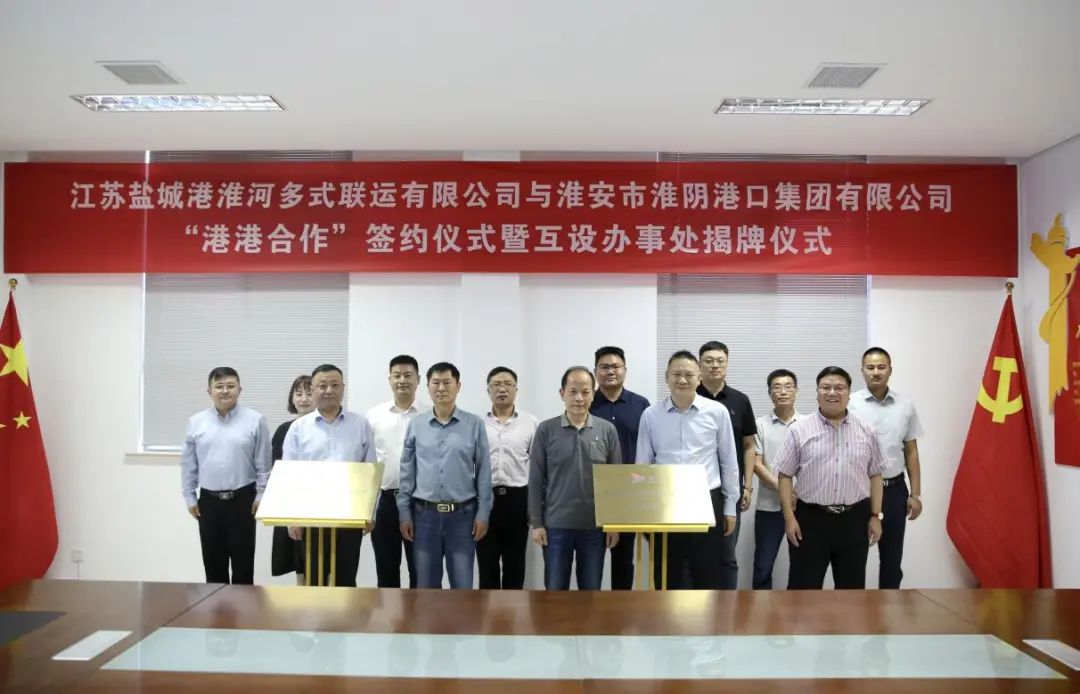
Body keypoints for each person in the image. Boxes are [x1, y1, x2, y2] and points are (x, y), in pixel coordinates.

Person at [775, 366, 885, 590]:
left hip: (854, 520)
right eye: (826, 387)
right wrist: (789, 518)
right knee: (803, 590)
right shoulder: (799, 429)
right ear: (817, 392)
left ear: (849, 393)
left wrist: (875, 516)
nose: (832, 392)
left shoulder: (867, 430)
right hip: (810, 519)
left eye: (839, 388)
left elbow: (875, 475)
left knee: (851, 591)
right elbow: (784, 475)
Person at [636, 351, 739, 589]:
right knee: (667, 571)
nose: (682, 380)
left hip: (707, 498)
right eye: (676, 374)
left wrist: (730, 507)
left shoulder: (717, 412)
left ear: (699, 377)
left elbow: (729, 462)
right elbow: (643, 464)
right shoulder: (651, 415)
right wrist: (643, 511)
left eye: (689, 375)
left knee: (708, 571)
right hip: (664, 500)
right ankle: (668, 614)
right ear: (666, 377)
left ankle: (707, 614)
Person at [397, 362, 493, 590]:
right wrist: (404, 513)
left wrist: (483, 513)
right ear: (428, 387)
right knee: (426, 587)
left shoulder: (474, 424)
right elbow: (407, 471)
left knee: (462, 586)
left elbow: (484, 471)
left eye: (447, 382)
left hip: (463, 517)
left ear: (458, 386)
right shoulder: (416, 425)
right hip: (424, 516)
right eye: (436, 383)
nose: (441, 388)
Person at [283, 364, 375, 587]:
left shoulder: (360, 424)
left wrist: (370, 512)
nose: (328, 390)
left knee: (346, 578)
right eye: (322, 386)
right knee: (314, 578)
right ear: (313, 389)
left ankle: (346, 611)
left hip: (350, 513)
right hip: (310, 514)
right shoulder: (299, 427)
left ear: (343, 388)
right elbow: (289, 474)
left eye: (334, 385)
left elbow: (370, 471)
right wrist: (292, 518)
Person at [529, 367, 620, 590]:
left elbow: (615, 481)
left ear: (593, 394)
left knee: (591, 592)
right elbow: (536, 479)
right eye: (573, 392)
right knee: (555, 592)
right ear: (562, 393)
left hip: (594, 527)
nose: (579, 398)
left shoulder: (607, 430)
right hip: (556, 527)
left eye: (585, 392)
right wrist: (537, 523)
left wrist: (614, 525)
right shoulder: (546, 430)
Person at [180, 366, 270, 585]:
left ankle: (243, 609)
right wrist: (189, 496)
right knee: (213, 568)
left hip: (243, 501)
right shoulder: (196, 422)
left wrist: (261, 495)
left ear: (240, 389)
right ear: (209, 391)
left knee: (243, 568)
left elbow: (264, 463)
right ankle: (216, 608)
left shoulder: (255, 420)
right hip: (208, 503)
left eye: (230, 386)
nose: (225, 391)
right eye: (219, 386)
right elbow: (189, 463)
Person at [849, 347, 924, 589]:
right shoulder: (850, 404)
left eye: (881, 367)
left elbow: (911, 451)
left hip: (894, 490)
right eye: (870, 367)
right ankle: (855, 607)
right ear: (862, 371)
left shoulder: (905, 405)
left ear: (890, 370)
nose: (876, 372)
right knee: (854, 558)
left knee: (891, 560)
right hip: (859, 491)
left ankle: (888, 609)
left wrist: (915, 494)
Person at [696, 341, 757, 589]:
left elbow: (749, 446)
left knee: (726, 553)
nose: (715, 365)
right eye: (709, 361)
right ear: (699, 365)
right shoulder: (689, 398)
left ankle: (727, 606)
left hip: (730, 491)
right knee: (695, 555)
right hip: (695, 490)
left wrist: (747, 486)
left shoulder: (740, 400)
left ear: (727, 364)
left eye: (720, 361)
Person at [589, 346, 650, 590]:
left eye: (616, 366)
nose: (610, 371)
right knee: (591, 558)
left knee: (624, 560)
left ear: (625, 370)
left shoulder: (641, 405)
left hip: (629, 492)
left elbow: (649, 446)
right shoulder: (587, 402)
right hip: (592, 491)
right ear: (596, 371)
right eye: (604, 367)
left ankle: (621, 608)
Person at [365, 355, 424, 588]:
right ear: (389, 380)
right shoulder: (373, 416)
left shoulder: (429, 415)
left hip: (420, 503)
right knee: (386, 569)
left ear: (418, 379)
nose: (402, 380)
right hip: (385, 502)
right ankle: (389, 613)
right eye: (397, 376)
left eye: (408, 375)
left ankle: (421, 612)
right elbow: (367, 463)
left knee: (420, 571)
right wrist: (367, 510)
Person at [478, 366, 538, 589]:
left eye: (507, 384)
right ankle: (489, 611)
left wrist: (534, 507)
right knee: (487, 565)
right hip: (486, 499)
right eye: (496, 385)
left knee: (515, 564)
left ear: (516, 389)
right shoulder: (478, 424)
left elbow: (538, 468)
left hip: (517, 500)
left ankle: (513, 611)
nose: (502, 389)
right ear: (488, 390)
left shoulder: (531, 423)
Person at [751, 369, 802, 590]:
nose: (782, 391)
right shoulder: (759, 425)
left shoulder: (808, 423)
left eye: (788, 386)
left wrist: (796, 493)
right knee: (763, 565)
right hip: (769, 507)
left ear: (796, 391)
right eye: (777, 387)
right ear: (769, 392)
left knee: (801, 565)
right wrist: (785, 492)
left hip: (803, 506)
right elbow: (756, 464)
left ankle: (797, 609)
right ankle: (760, 608)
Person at [269, 374, 314, 583]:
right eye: (299, 393)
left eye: (309, 393)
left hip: (320, 504)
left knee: (322, 560)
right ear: (292, 398)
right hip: (292, 503)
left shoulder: (327, 427)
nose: (303, 398)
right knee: (299, 561)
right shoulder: (283, 430)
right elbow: (277, 472)